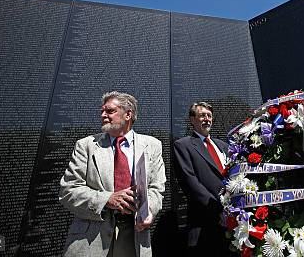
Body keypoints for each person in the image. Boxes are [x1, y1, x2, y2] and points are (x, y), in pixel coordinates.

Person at [59, 91, 166, 257]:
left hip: (135, 236)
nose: (103, 115)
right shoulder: (85, 146)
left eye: (110, 111)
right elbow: (68, 191)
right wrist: (107, 199)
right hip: (91, 238)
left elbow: (156, 188)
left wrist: (149, 211)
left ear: (128, 114)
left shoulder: (152, 146)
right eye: (102, 111)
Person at [172, 102, 229, 256]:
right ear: (192, 120)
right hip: (204, 221)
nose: (207, 119)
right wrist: (217, 207)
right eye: (202, 115)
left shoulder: (223, 146)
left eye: (209, 116)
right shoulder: (183, 145)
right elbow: (189, 181)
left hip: (230, 222)